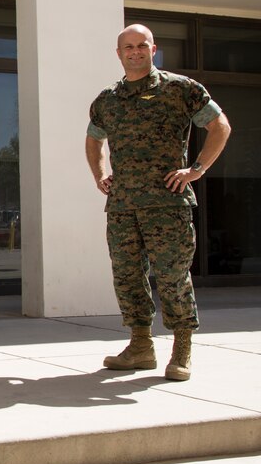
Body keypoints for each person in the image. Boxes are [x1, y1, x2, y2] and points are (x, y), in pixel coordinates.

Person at [86, 24, 232, 381]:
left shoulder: (179, 89)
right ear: (118, 54)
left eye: (141, 46)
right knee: (128, 278)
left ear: (153, 50)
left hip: (168, 204)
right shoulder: (107, 99)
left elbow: (220, 126)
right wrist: (100, 172)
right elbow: (93, 140)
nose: (134, 51)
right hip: (122, 207)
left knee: (171, 277)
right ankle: (140, 346)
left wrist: (196, 169)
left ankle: (181, 349)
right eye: (127, 47)